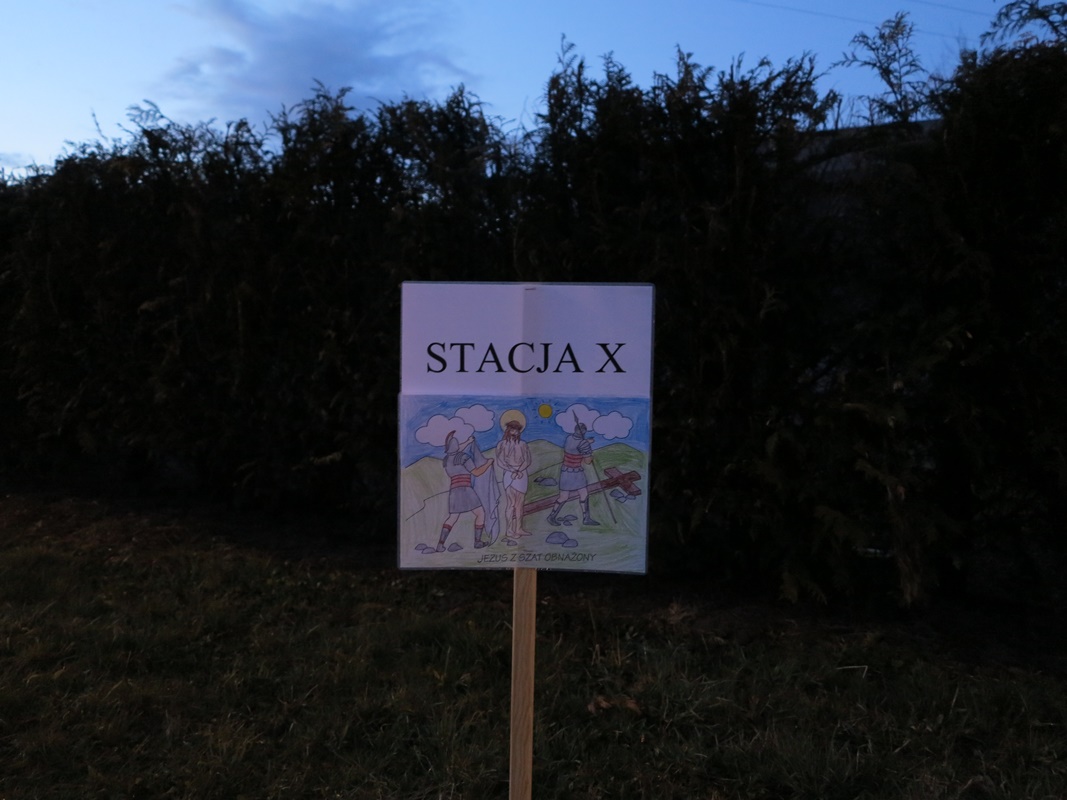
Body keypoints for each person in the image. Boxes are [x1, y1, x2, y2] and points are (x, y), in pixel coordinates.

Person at [437, 431, 494, 551]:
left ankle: (440, 544)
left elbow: (455, 451)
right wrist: (488, 463)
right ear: (456, 446)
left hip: (454, 491)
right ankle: (477, 542)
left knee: (452, 517)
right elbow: (477, 472)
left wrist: (468, 441)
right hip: (466, 490)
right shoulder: (464, 457)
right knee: (480, 513)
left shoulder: (446, 460)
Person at [546, 413, 599, 526]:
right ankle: (586, 518)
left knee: (564, 496)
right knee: (583, 494)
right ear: (584, 432)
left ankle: (552, 516)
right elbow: (587, 461)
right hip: (576, 473)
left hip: (565, 471)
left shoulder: (569, 438)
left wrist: (586, 442)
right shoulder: (583, 444)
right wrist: (589, 451)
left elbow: (577, 444)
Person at [496, 410, 533, 538]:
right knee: (511, 503)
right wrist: (512, 471)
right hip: (509, 473)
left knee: (520, 504)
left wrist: (519, 470)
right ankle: (509, 530)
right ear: (508, 430)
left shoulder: (523, 444)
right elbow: (500, 461)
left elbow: (527, 460)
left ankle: (518, 528)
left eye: (517, 430)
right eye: (512, 429)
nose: (514, 432)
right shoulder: (501, 444)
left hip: (521, 473)